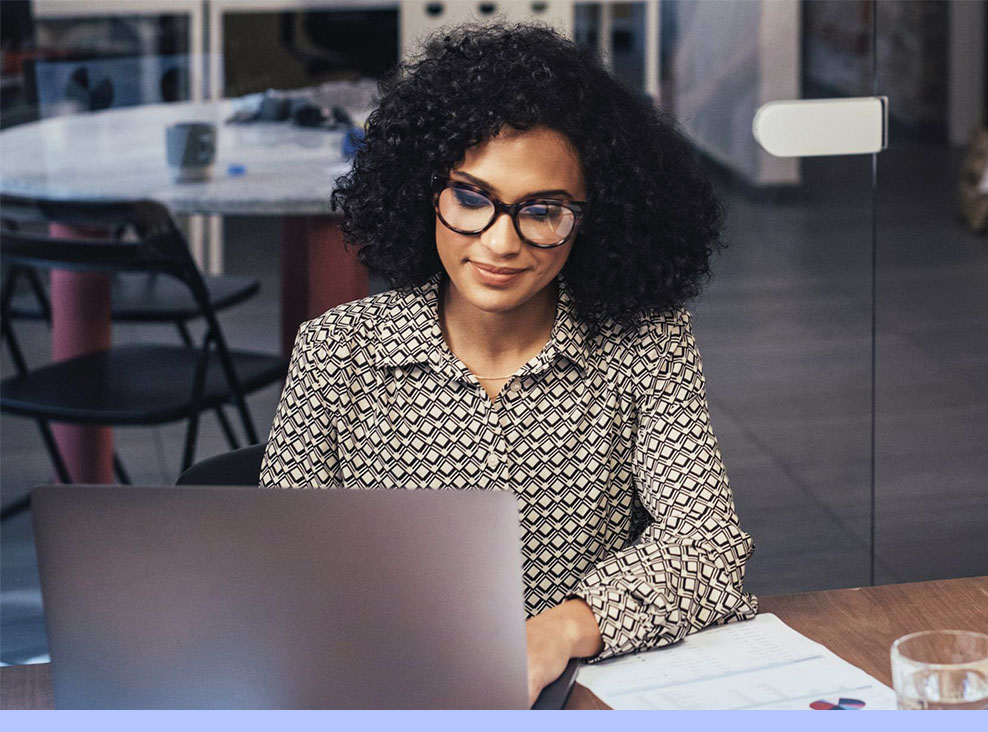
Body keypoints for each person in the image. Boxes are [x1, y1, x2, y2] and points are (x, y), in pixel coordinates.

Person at [259, 23, 757, 704]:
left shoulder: (644, 343)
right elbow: (284, 573)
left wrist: (560, 631)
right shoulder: (337, 353)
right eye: (471, 198)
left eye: (543, 211)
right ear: (425, 192)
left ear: (594, 219)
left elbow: (708, 546)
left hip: (579, 694)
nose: (500, 243)